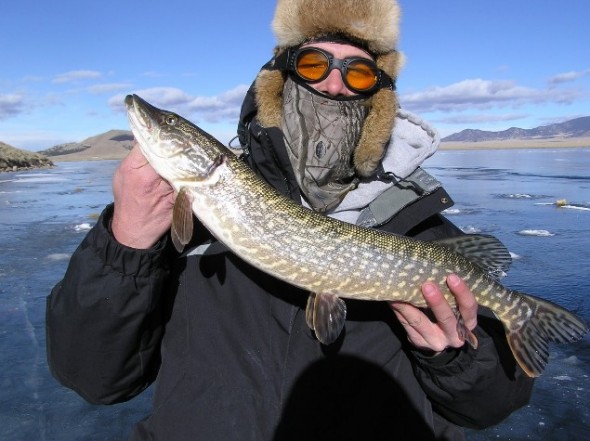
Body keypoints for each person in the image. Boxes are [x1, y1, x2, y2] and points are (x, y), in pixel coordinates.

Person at [46, 1, 534, 440]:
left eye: (359, 73)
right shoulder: (183, 229)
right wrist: (127, 241)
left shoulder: (424, 230)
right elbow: (94, 378)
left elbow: (489, 408)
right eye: (314, 64)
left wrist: (454, 359)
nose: (334, 83)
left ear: (379, 100)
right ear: (278, 82)